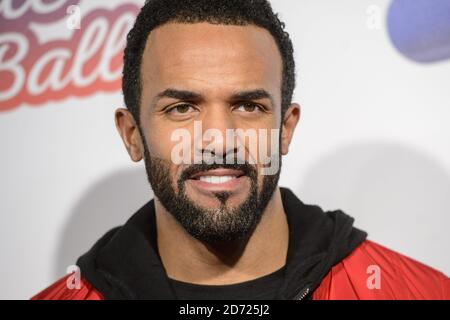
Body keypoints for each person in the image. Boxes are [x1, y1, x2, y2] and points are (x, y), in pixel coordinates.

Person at [33, 0, 449, 300]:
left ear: (285, 129)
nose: (219, 139)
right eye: (182, 108)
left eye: (248, 106)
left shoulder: (419, 293)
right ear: (132, 135)